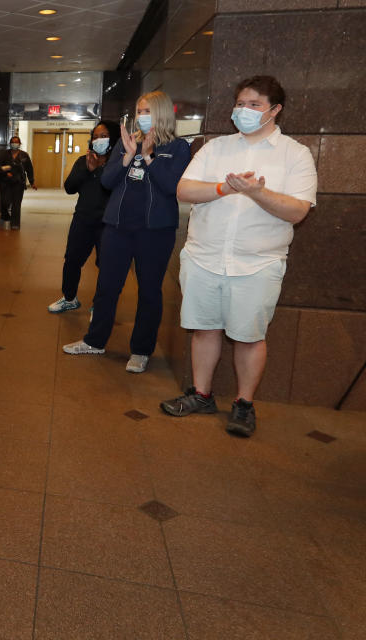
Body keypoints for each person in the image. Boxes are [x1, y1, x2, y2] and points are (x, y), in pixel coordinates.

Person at [160, 76, 316, 437]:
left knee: (248, 335)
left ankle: (244, 405)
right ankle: (200, 394)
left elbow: (297, 211)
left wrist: (256, 193)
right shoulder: (216, 148)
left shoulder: (295, 154)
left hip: (257, 263)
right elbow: (184, 189)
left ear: (275, 110)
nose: (243, 111)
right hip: (204, 256)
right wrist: (223, 188)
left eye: (254, 105)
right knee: (204, 329)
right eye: (240, 104)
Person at [63, 91, 191, 374]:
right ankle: (95, 340)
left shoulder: (178, 147)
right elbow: (107, 182)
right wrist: (128, 155)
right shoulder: (126, 143)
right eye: (139, 111)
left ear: (161, 113)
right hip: (117, 228)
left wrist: (148, 158)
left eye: (147, 111)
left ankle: (141, 350)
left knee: (149, 292)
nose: (141, 117)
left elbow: (171, 187)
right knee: (106, 287)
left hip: (154, 232)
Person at [50, 121, 118, 314]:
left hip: (108, 223)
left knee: (106, 265)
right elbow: (70, 188)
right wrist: (88, 170)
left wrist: (99, 169)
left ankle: (99, 304)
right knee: (72, 259)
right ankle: (69, 298)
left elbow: (111, 188)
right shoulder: (83, 161)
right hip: (83, 219)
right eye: (95, 137)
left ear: (112, 138)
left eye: (103, 136)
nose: (99, 140)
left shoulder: (118, 163)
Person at [0, 135, 35, 229]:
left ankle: (15, 224)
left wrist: (32, 181)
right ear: (10, 143)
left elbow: (29, 169)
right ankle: (5, 216)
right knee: (5, 202)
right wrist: (5, 173)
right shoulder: (4, 154)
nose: (15, 144)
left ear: (20, 144)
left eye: (16, 142)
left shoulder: (24, 155)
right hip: (5, 183)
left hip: (19, 183)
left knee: (16, 204)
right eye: (13, 142)